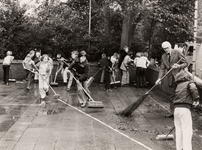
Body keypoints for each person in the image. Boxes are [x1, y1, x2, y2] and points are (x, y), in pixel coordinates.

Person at [155, 41, 188, 118]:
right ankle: (173, 113)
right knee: (171, 96)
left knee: (180, 96)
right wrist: (159, 78)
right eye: (164, 49)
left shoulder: (177, 52)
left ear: (170, 46)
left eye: (167, 48)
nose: (166, 50)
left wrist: (178, 66)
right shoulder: (163, 56)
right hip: (170, 79)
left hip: (180, 78)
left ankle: (181, 114)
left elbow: (186, 63)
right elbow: (162, 68)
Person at [173, 69, 199, 150]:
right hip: (184, 110)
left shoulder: (179, 85)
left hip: (176, 109)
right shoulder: (189, 83)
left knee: (179, 131)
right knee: (187, 132)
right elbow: (193, 89)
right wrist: (196, 99)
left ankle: (179, 148)